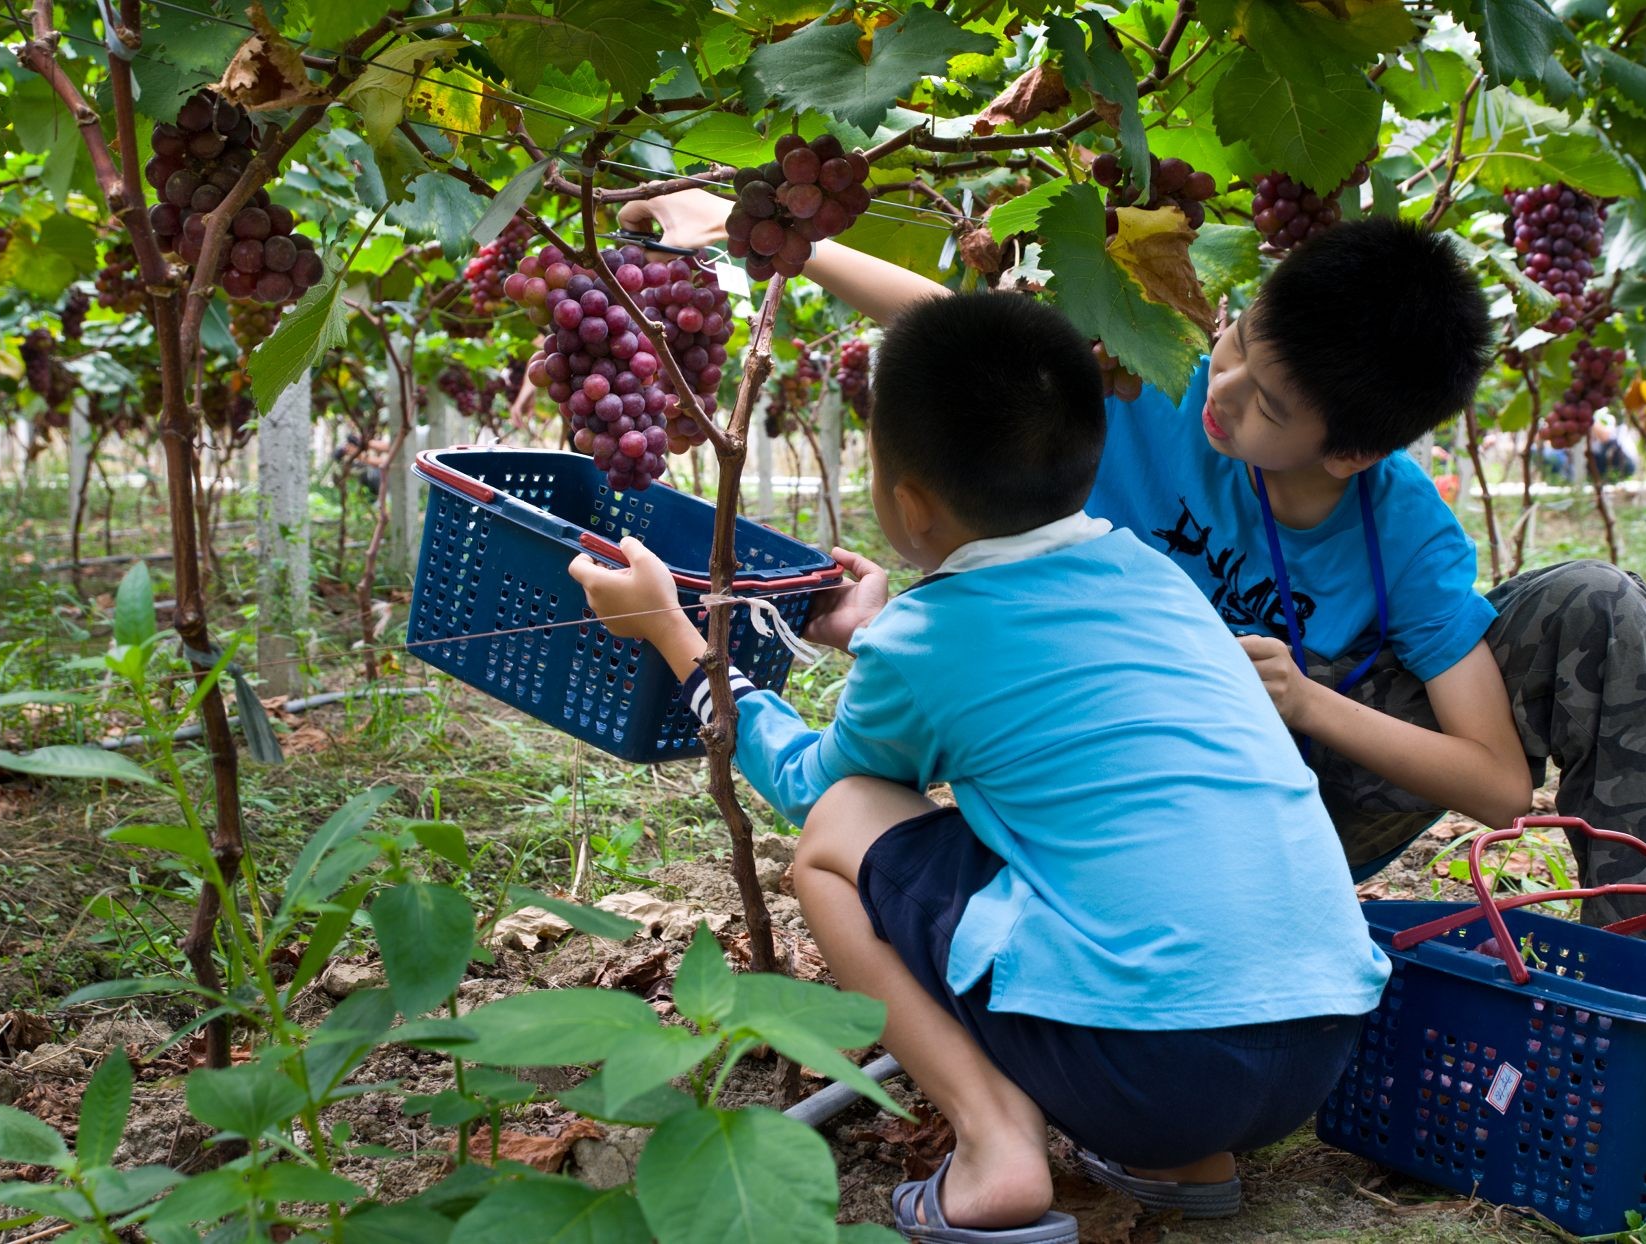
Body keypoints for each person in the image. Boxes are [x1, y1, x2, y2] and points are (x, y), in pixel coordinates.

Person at [620, 191, 1646, 952]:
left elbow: (1493, 784)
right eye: (1237, 340)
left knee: (1595, 602)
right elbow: (966, 335)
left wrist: (1306, 702)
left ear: (1351, 452)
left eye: (1267, 404)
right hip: (1125, 785)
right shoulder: (1158, 385)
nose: (1224, 391)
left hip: (1303, 802)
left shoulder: (1405, 531)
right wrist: (772, 240)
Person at [569, 293, 1391, 1241]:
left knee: (839, 829)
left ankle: (995, 1142)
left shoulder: (928, 635)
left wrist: (675, 637)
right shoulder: (1159, 576)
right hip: (1316, 1044)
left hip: (1149, 1065)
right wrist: (878, 632)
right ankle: (1184, 1161)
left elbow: (812, 786)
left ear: (907, 501)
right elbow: (1025, 680)